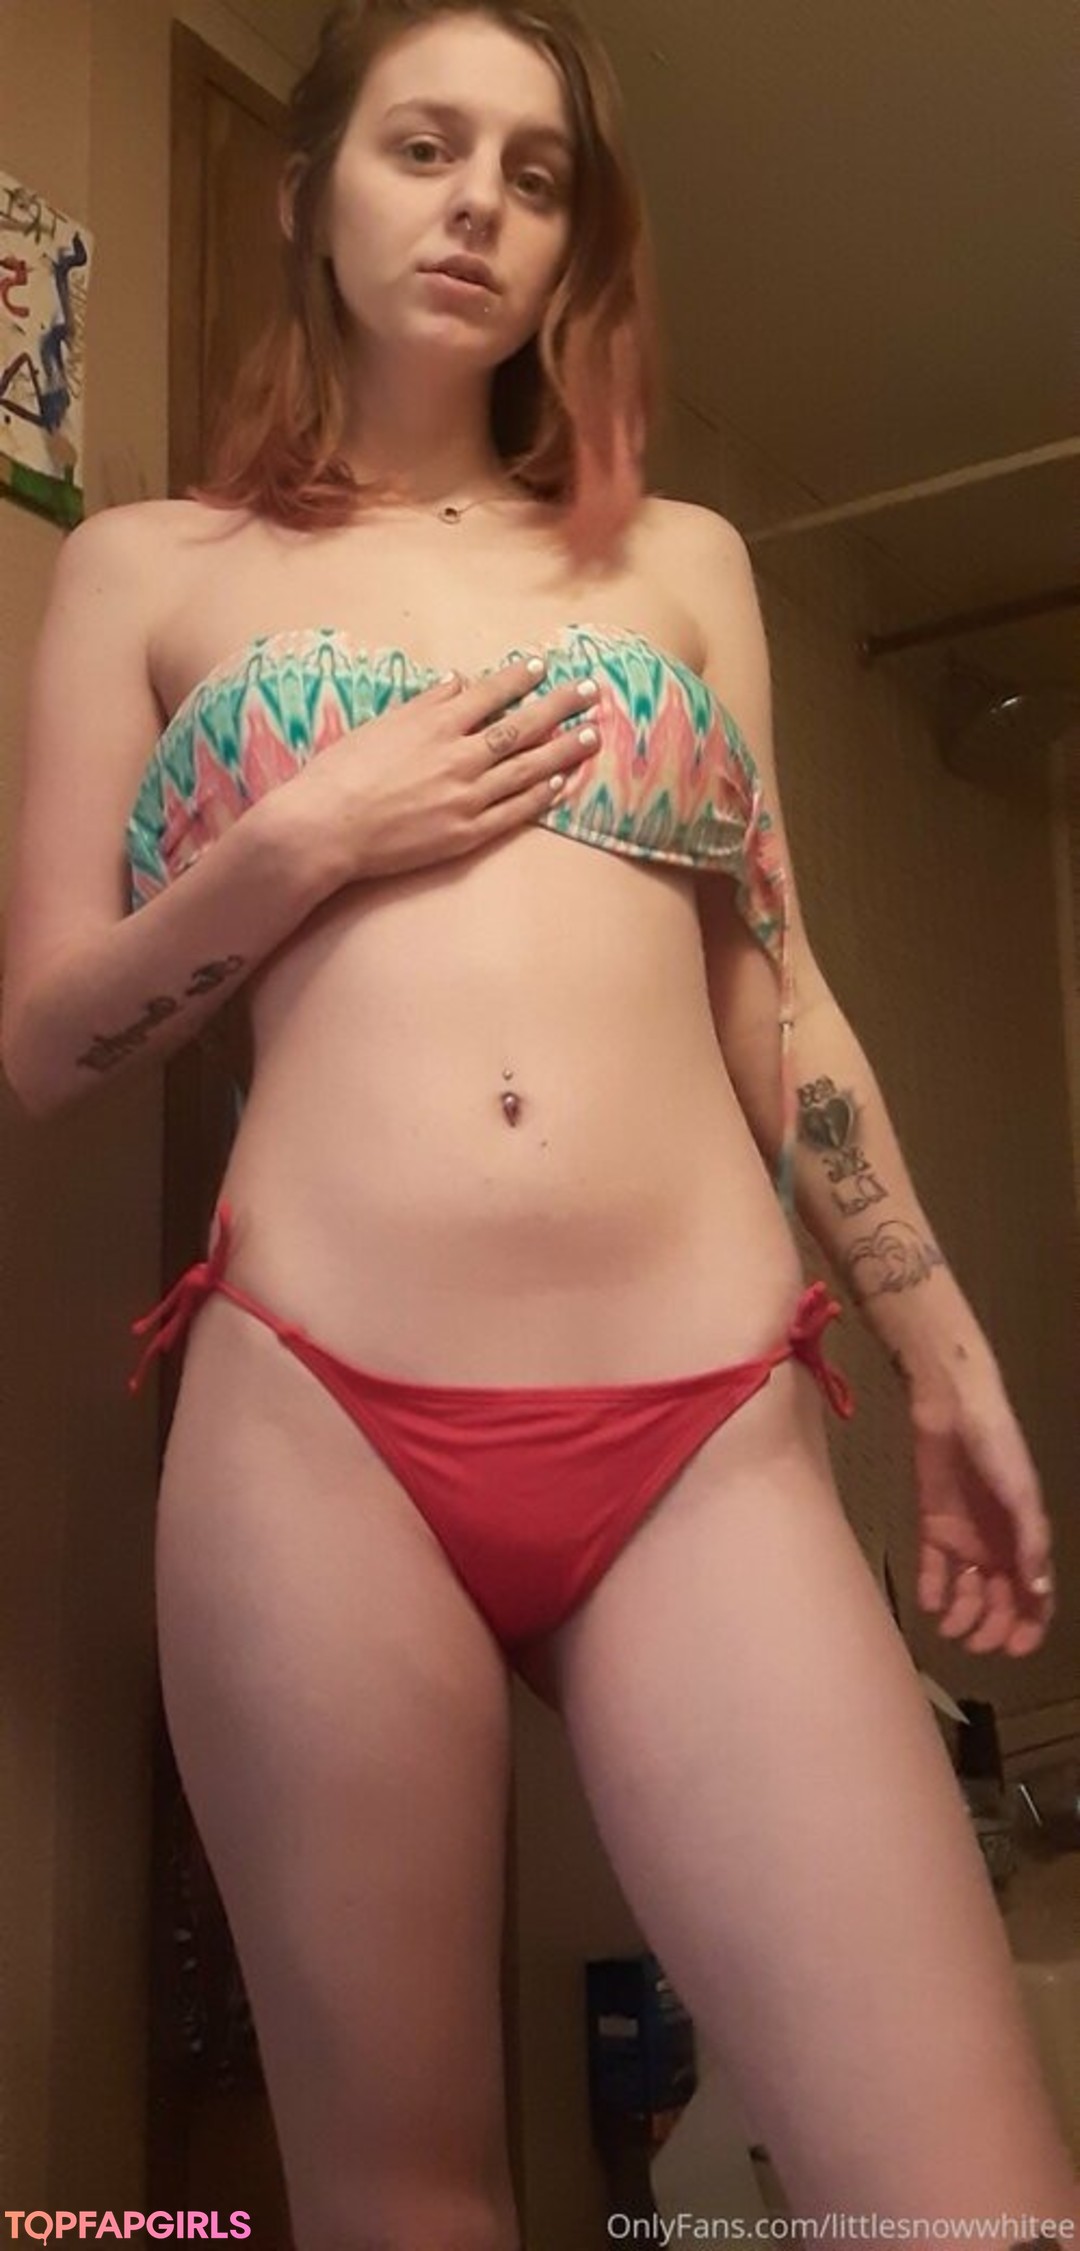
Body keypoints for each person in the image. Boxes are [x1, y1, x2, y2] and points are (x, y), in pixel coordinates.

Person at [2, 2, 1073, 2244]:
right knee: (403, 2199)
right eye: (424, 145)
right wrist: (301, 844)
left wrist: (948, 1353)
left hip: (704, 1420)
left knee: (970, 2205)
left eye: (537, 169)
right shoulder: (148, 568)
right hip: (320, 1418)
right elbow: (47, 1043)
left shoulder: (681, 562)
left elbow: (778, 991)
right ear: (309, 191)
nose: (479, 201)